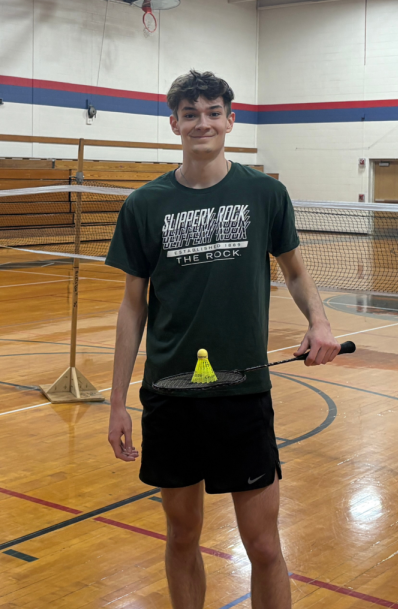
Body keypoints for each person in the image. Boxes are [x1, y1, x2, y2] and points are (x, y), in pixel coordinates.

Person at [105, 70, 342, 609]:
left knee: (262, 546)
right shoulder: (144, 205)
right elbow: (131, 307)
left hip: (242, 397)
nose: (202, 122)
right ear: (174, 124)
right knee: (183, 537)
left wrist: (319, 322)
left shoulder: (264, 193)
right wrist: (118, 402)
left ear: (231, 120)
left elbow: (297, 273)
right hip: (171, 396)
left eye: (213, 112)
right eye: (191, 114)